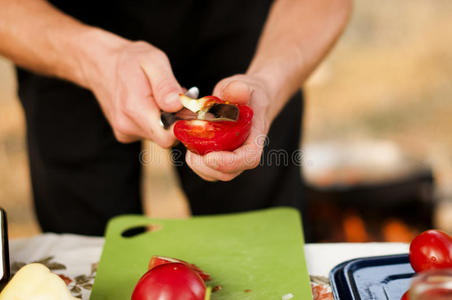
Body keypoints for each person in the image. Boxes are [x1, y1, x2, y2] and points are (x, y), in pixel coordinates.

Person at [0, 0, 352, 236]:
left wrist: (269, 83)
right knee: (86, 248)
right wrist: (92, 58)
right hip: (65, 30)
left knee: (256, 234)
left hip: (246, 29)